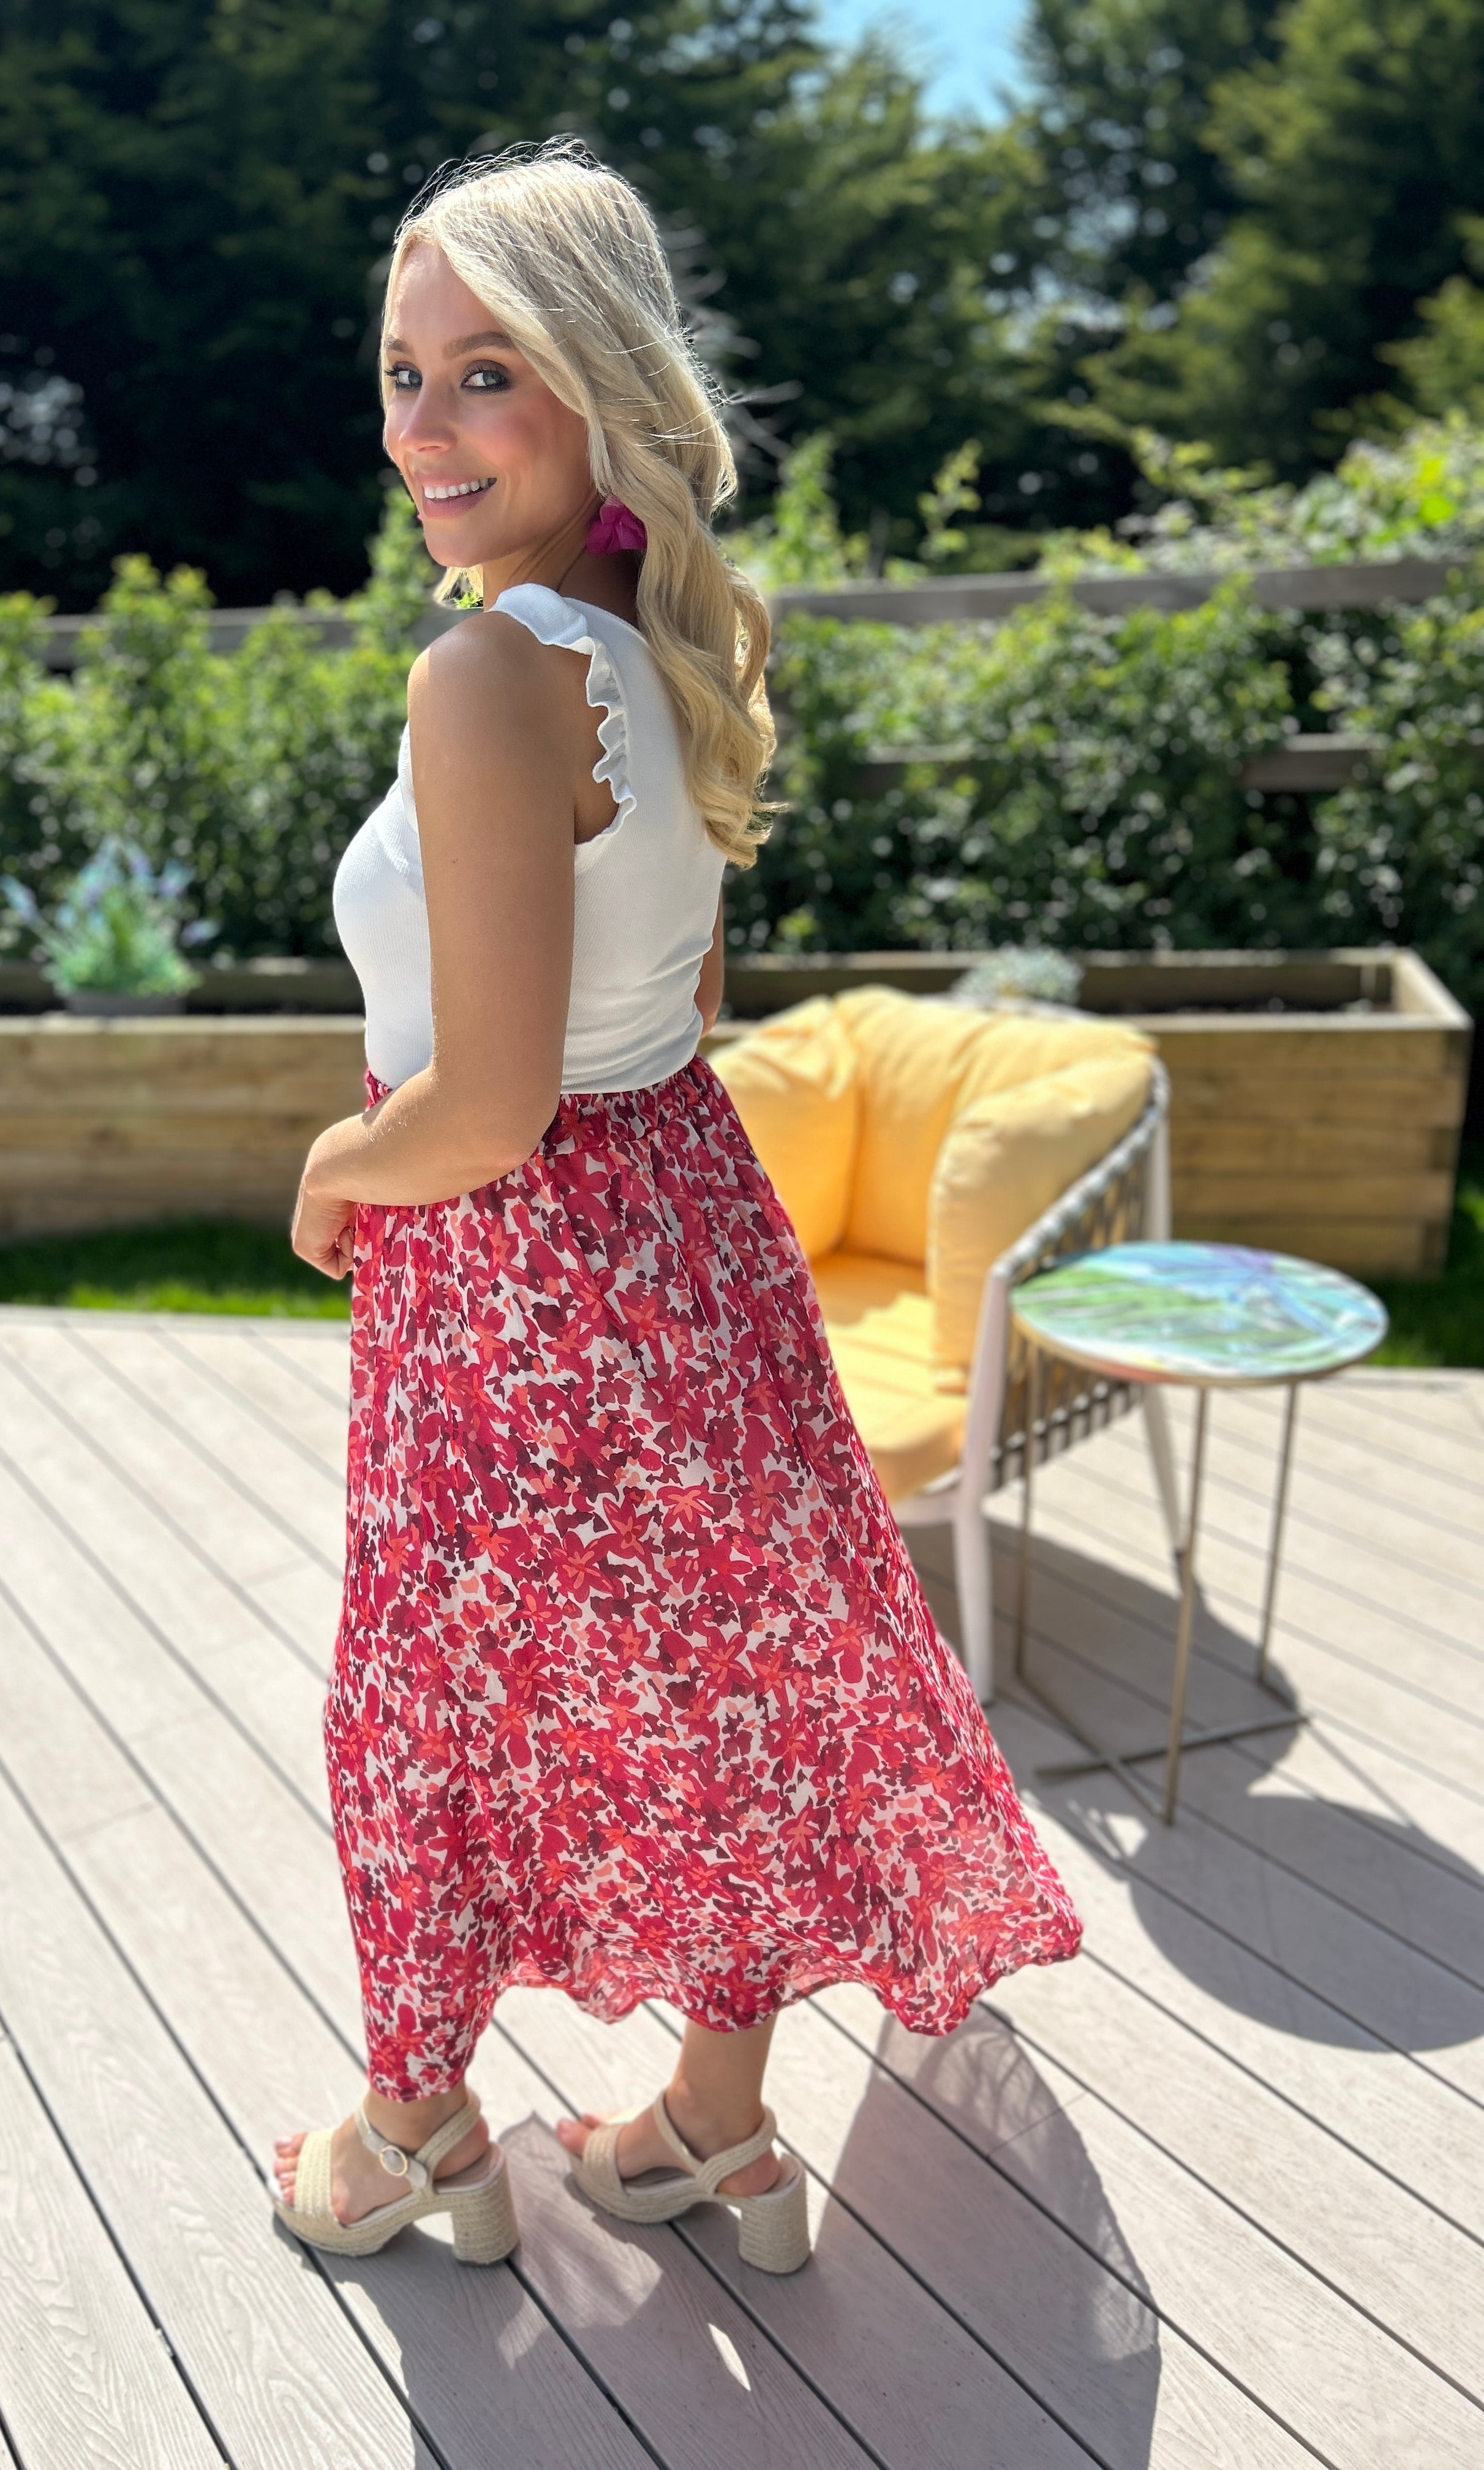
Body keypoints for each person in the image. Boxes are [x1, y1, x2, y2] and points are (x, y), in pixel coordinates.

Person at [272, 141, 1080, 2273]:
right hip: (684, 1225)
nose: (423, 427)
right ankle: (713, 2132)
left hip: (515, 1260)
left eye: (486, 375)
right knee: (721, 1671)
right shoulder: (670, 641)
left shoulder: (487, 676)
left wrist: (338, 1164)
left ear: (598, 383)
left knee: (438, 1696)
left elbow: (489, 1105)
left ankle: (417, 2134)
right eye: (403, 373)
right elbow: (684, 1001)